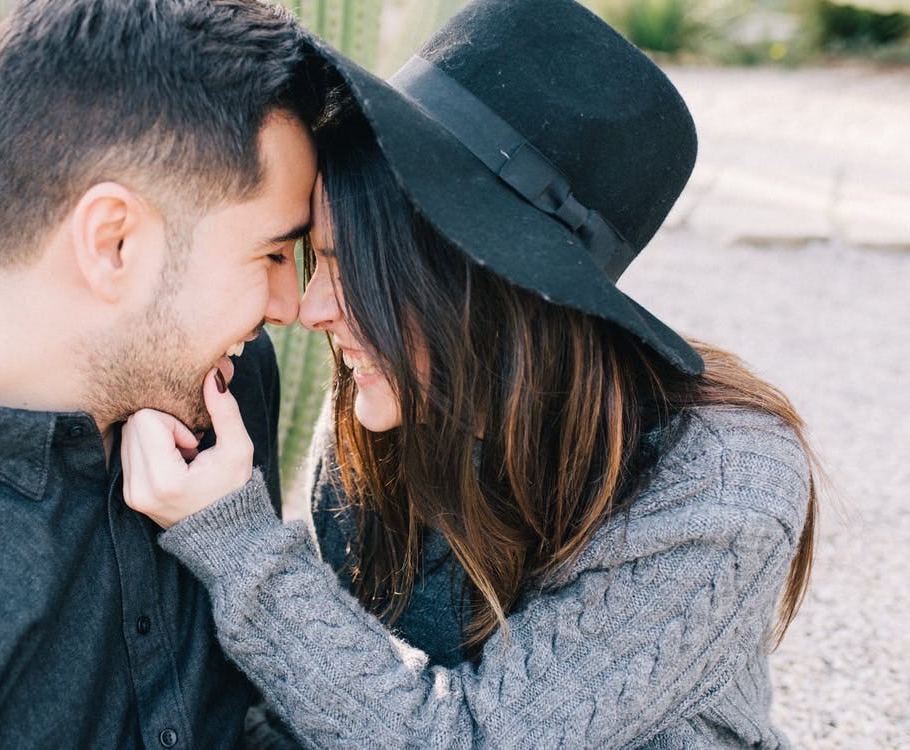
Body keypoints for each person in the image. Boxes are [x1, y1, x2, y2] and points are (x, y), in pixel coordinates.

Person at [120, 0, 821, 747]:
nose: (308, 309)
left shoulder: (723, 482)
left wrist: (235, 542)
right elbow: (345, 688)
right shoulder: (386, 405)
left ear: (475, 285)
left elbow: (469, 738)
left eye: (346, 264)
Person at [0, 0, 322, 746]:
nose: (290, 305)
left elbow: (240, 717)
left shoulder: (225, 391)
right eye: (271, 253)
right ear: (112, 242)